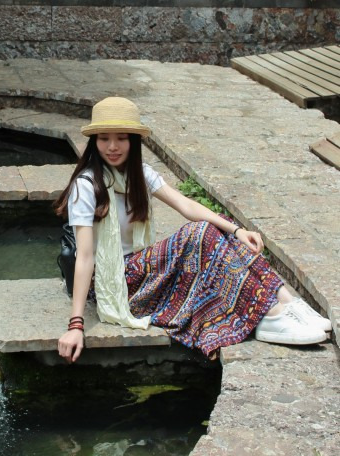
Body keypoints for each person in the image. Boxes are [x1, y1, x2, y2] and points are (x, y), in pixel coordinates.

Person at [54, 97, 330, 363]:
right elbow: (85, 256)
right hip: (111, 281)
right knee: (198, 234)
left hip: (136, 269)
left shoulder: (138, 173)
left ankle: (286, 302)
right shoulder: (86, 186)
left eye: (121, 138)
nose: (112, 146)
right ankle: (268, 314)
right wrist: (76, 324)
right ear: (94, 142)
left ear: (133, 141)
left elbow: (185, 204)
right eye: (104, 138)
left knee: (217, 226)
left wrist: (237, 230)